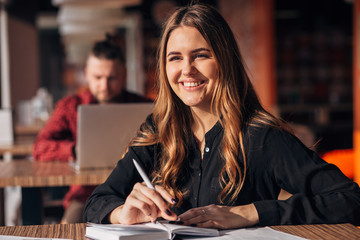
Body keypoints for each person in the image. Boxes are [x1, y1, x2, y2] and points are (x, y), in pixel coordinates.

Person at [84, 4, 360, 228]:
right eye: (175, 58)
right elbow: (97, 202)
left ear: (224, 61)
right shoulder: (158, 129)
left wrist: (250, 213)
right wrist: (122, 213)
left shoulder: (262, 136)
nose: (187, 69)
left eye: (201, 55)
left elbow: (350, 200)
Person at [33, 38, 151, 224]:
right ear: (87, 74)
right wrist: (73, 150)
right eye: (97, 78)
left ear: (124, 74)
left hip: (136, 189)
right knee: (70, 229)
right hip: (85, 195)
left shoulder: (144, 107)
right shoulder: (70, 105)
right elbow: (40, 147)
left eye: (111, 78)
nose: (104, 86)